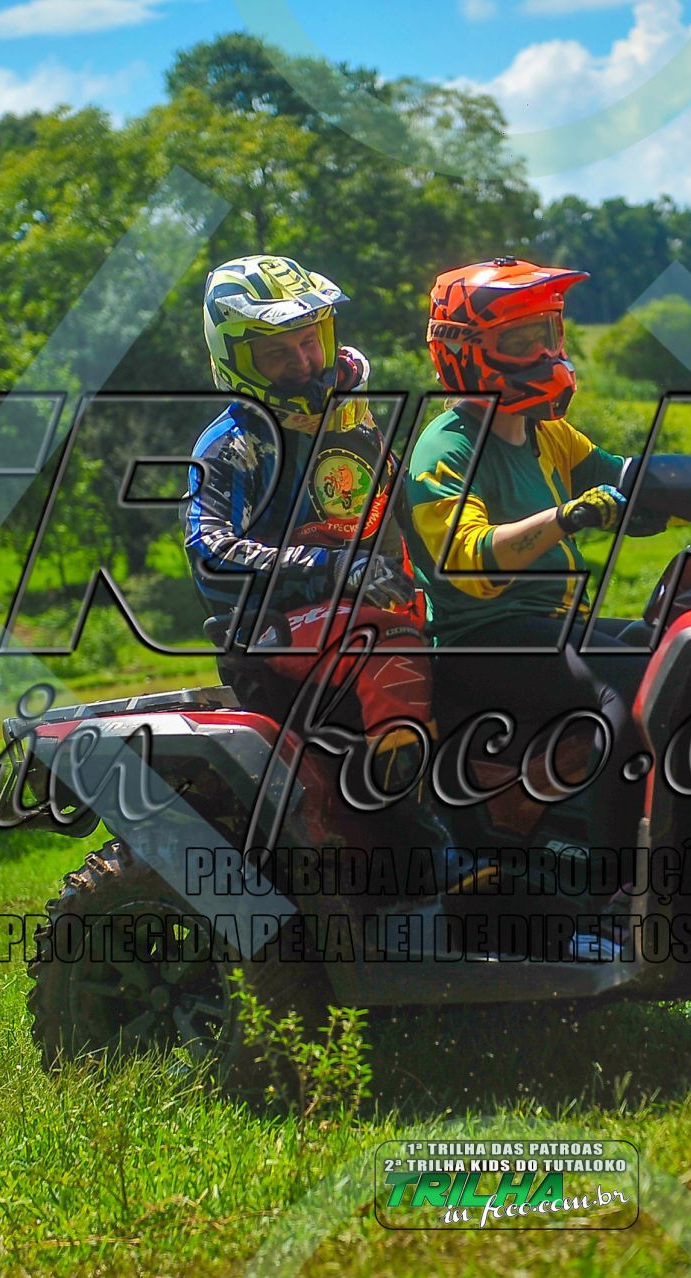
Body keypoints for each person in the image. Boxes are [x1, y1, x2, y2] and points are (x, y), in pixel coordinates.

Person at [403, 256, 691, 851]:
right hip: (480, 637)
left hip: (550, 622)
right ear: (463, 352)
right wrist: (567, 517)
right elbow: (467, 560)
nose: (546, 354)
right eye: (520, 341)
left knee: (672, 649)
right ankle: (615, 878)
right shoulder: (446, 448)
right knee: (629, 690)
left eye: (548, 334)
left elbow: (635, 481)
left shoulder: (546, 433)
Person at [182, 253, 446, 858]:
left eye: (311, 341)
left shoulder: (350, 418)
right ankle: (423, 843)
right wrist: (329, 566)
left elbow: (395, 511)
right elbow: (209, 553)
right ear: (236, 358)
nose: (303, 364)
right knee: (385, 642)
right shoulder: (232, 444)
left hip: (367, 604)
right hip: (266, 629)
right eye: (278, 353)